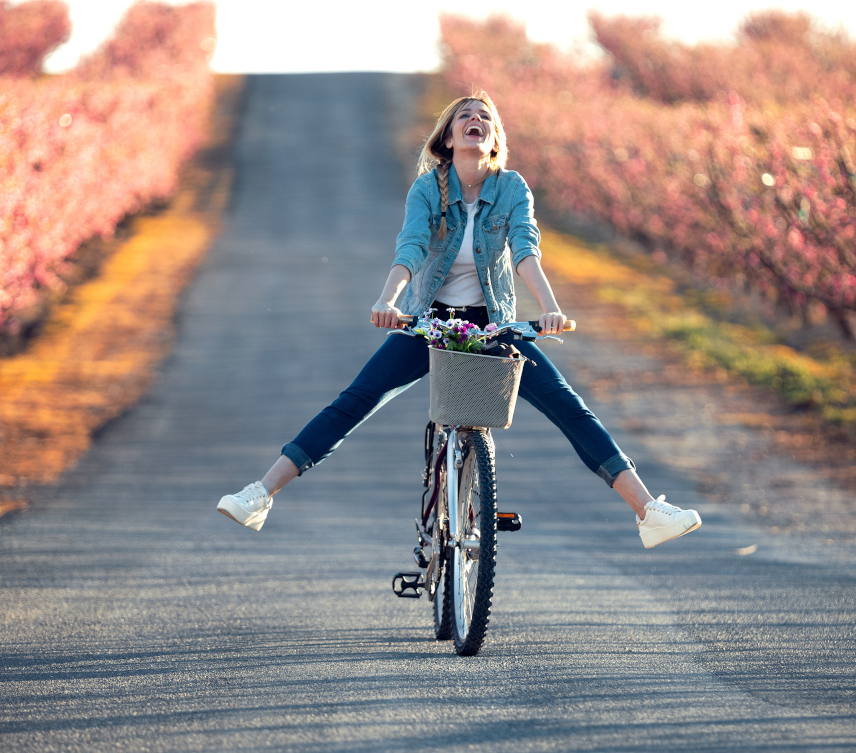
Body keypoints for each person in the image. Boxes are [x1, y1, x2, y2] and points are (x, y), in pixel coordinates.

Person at [217, 91, 701, 549]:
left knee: (569, 408)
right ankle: (261, 494)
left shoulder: (512, 188)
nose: (476, 120)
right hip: (431, 323)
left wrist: (550, 308)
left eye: (485, 117)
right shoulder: (428, 189)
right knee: (355, 400)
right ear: (448, 137)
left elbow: (525, 249)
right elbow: (409, 248)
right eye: (465, 115)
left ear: (494, 139)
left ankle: (648, 512)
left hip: (493, 326)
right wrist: (388, 301)